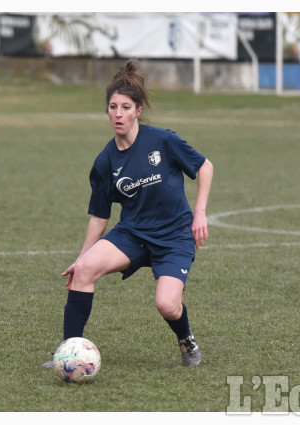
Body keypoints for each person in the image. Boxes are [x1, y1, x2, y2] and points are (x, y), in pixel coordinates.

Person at [49, 59, 214, 366]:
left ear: (138, 110)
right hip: (134, 234)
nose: (118, 114)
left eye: (126, 107)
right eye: (113, 107)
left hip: (174, 235)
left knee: (167, 305)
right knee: (84, 272)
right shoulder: (105, 162)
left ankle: (186, 339)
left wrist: (200, 213)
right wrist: (82, 258)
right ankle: (68, 352)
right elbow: (100, 216)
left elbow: (204, 167)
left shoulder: (162, 141)